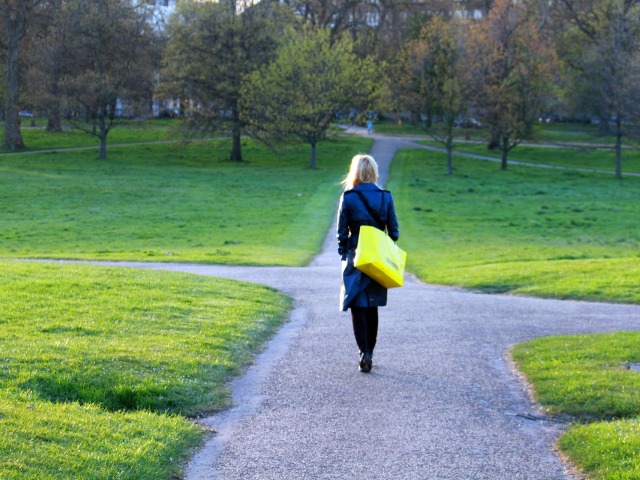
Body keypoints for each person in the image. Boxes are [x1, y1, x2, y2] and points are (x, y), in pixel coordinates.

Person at [337, 154, 400, 373]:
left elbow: (341, 234)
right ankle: (369, 352)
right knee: (372, 304)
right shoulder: (385, 196)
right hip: (377, 256)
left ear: (355, 172)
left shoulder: (348, 197)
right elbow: (394, 232)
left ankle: (363, 351)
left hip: (355, 254)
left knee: (356, 304)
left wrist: (344, 253)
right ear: (373, 171)